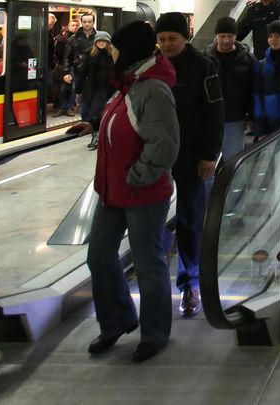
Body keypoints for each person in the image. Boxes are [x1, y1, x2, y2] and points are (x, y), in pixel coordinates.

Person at [74, 20, 179, 363]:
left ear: (129, 51)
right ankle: (116, 321)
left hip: (142, 192)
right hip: (112, 190)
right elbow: (122, 124)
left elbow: (164, 145)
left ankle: (154, 333)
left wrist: (137, 176)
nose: (112, 55)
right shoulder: (128, 85)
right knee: (99, 255)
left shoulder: (152, 88)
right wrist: (93, 124)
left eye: (117, 49)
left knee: (147, 263)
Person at [154, 11, 224, 319]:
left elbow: (214, 114)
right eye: (162, 39)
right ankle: (157, 282)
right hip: (154, 157)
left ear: (185, 38)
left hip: (192, 155)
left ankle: (189, 285)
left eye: (172, 39)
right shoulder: (151, 67)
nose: (167, 45)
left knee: (190, 222)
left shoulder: (203, 67)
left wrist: (209, 155)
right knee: (153, 222)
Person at [205, 16, 254, 160]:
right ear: (216, 36)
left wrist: (251, 116)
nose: (226, 40)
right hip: (210, 119)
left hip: (235, 118)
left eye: (230, 36)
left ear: (236, 36)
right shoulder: (205, 59)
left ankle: (233, 184)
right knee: (207, 162)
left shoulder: (248, 59)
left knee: (233, 161)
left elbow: (253, 89)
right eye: (222, 36)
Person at [75, 31, 116, 149]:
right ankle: (96, 134)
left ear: (108, 43)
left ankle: (97, 136)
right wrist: (78, 88)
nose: (102, 43)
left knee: (97, 111)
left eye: (104, 41)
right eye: (99, 41)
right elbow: (83, 71)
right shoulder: (90, 53)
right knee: (85, 111)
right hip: (92, 87)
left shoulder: (113, 54)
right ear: (95, 42)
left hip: (108, 88)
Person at [65, 12, 99, 116]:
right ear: (81, 23)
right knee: (81, 97)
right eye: (84, 22)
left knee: (95, 96)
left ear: (93, 22)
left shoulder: (99, 38)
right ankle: (85, 118)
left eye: (89, 22)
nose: (87, 24)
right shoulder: (73, 38)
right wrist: (66, 72)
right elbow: (67, 56)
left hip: (95, 71)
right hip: (78, 71)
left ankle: (92, 117)